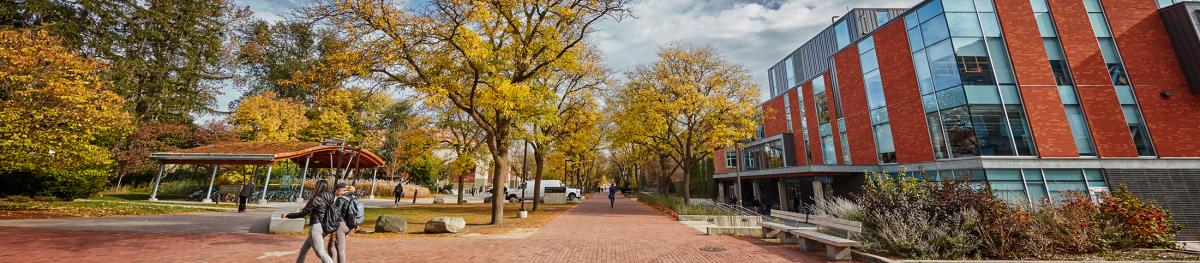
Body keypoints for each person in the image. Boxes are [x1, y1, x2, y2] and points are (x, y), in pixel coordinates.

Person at [283, 180, 335, 263]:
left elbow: (303, 214)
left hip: (316, 227)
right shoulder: (330, 198)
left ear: (317, 187)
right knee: (303, 251)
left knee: (320, 253)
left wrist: (287, 215)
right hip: (323, 226)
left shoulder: (316, 198)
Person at [326, 184, 360, 263]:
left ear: (343, 190)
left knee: (336, 247)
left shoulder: (340, 199)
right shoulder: (354, 198)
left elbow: (335, 215)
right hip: (349, 225)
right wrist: (356, 224)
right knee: (337, 247)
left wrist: (333, 231)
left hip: (340, 225)